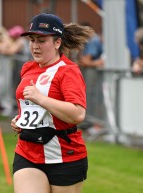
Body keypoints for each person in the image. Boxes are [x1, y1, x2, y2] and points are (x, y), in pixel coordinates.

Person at [10, 13, 94, 193]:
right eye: (32, 40)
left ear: (57, 43)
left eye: (41, 40)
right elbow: (30, 107)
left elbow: (78, 114)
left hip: (64, 155)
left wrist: (41, 98)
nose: (34, 46)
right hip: (28, 151)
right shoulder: (28, 68)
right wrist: (21, 120)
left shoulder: (68, 71)